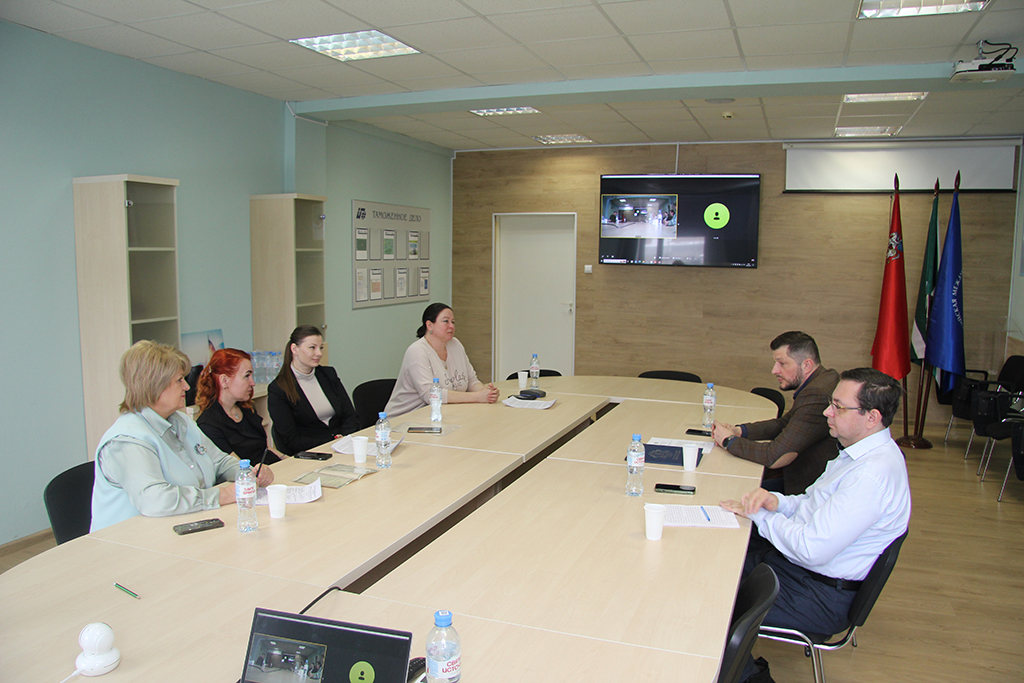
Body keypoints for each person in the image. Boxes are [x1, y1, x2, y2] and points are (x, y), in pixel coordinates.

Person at [720, 368, 911, 683]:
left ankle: (748, 677)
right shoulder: (858, 454)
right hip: (803, 573)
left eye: (838, 407)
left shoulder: (870, 475)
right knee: (716, 565)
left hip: (818, 594)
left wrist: (761, 517)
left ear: (872, 417)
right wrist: (776, 503)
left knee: (714, 600)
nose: (827, 412)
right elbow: (812, 503)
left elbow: (811, 548)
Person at [91, 340, 274, 532]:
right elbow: (156, 500)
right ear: (155, 386)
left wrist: (248, 474)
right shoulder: (127, 441)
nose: (187, 387)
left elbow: (218, 461)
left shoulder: (181, 421)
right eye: (179, 380)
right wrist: (222, 495)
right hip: (130, 541)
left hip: (178, 528)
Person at [711, 331, 839, 494]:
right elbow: (784, 423)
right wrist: (739, 431)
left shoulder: (816, 394)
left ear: (806, 365)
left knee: (728, 491)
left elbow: (775, 456)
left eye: (782, 363)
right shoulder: (823, 379)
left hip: (805, 488)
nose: (774, 370)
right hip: (803, 477)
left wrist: (728, 441)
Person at [385, 303, 499, 417]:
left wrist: (486, 392)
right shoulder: (417, 351)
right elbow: (431, 395)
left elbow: (471, 381)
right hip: (407, 418)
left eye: (453, 322)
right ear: (430, 325)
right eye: (446, 321)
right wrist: (477, 397)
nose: (451, 326)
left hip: (443, 414)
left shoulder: (455, 345)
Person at [267, 325, 360, 455]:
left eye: (320, 348)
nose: (319, 353)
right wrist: (331, 442)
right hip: (311, 453)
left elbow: (350, 415)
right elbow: (291, 439)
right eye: (312, 348)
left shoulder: (328, 374)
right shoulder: (279, 389)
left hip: (343, 445)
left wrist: (345, 438)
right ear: (294, 349)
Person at [195, 348, 283, 467]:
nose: (252, 383)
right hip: (251, 475)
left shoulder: (246, 408)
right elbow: (236, 467)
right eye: (247, 376)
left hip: (270, 467)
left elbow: (263, 448)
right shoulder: (208, 425)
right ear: (224, 381)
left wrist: (286, 459)